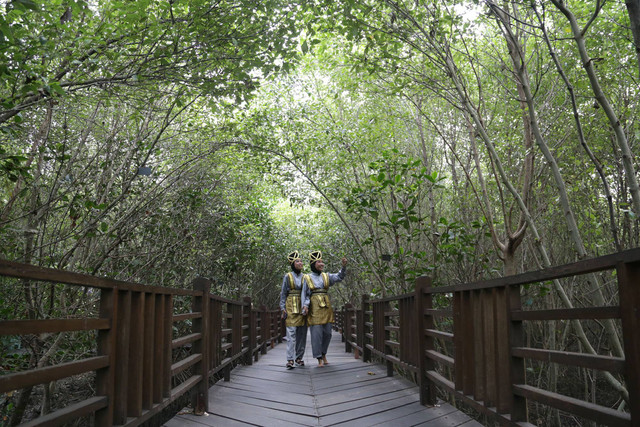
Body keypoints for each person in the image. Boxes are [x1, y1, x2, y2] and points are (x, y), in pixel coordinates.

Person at [302, 251, 347, 367]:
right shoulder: (307, 277)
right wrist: (305, 306)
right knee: (316, 333)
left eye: (322, 261)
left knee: (328, 333)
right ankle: (319, 358)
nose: (321, 264)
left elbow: (339, 277)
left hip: (326, 306)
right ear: (313, 264)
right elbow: (306, 294)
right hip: (314, 306)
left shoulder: (326, 276)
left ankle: (324, 353)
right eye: (319, 262)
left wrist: (343, 266)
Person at [279, 251, 309, 370]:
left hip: (302, 306)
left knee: (302, 334)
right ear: (292, 263)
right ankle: (290, 359)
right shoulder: (288, 276)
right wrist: (282, 308)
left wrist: (306, 305)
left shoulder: (305, 277)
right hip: (290, 305)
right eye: (297, 261)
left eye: (301, 261)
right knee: (291, 334)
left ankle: (299, 358)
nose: (300, 263)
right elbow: (283, 293)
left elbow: (307, 294)